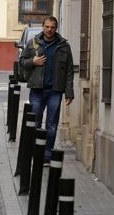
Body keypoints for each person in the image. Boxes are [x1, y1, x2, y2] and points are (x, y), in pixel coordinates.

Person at [19, 16, 74, 166]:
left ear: (56, 28)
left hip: (55, 91)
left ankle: (47, 156)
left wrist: (69, 92)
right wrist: (33, 61)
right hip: (37, 90)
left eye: (52, 27)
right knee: (35, 123)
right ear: (43, 27)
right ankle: (34, 152)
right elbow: (21, 62)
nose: (49, 30)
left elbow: (69, 70)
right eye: (47, 27)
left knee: (51, 125)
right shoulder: (33, 43)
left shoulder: (63, 46)